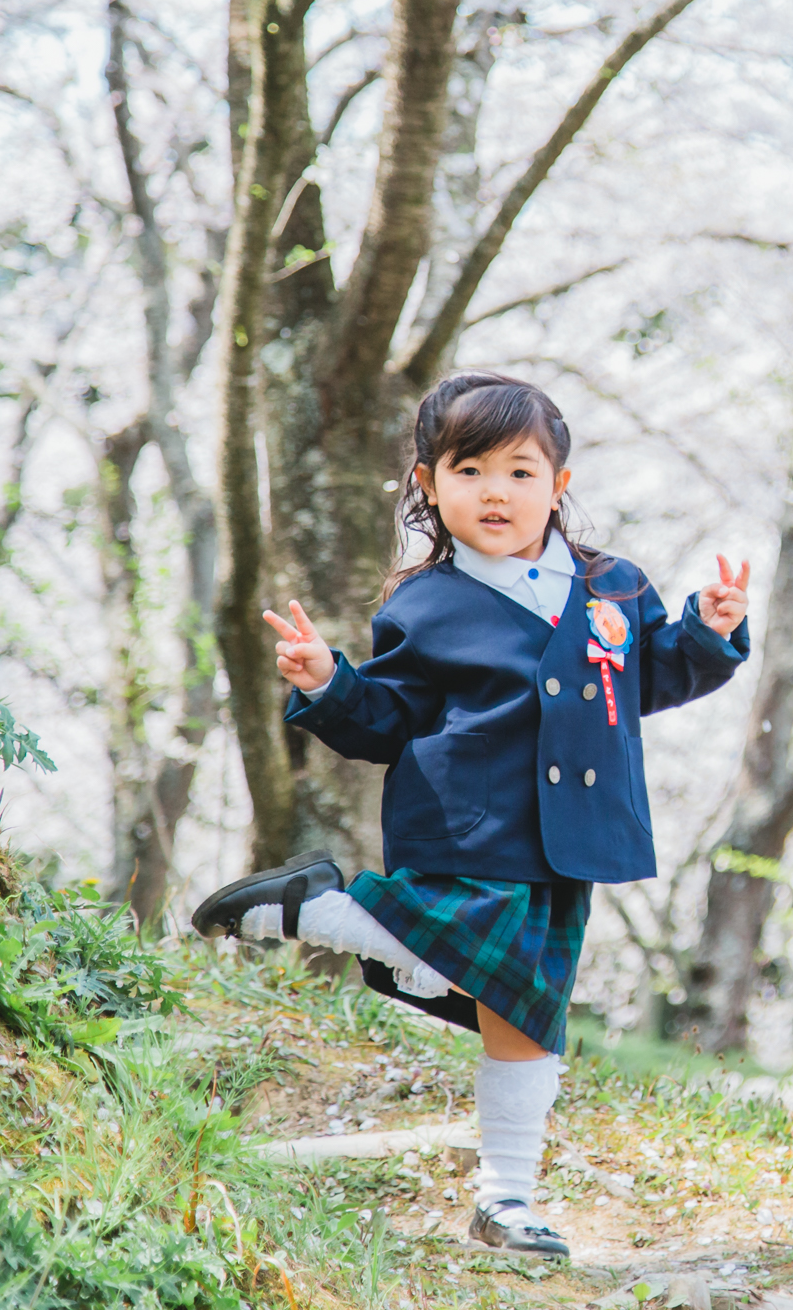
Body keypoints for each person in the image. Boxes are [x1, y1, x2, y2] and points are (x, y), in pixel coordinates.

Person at [189, 371, 750, 1261]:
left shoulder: (614, 588)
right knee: (469, 956)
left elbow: (655, 678)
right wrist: (330, 682)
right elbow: (388, 718)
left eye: (521, 472)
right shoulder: (426, 603)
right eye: (470, 468)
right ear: (428, 484)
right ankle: (321, 910)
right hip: (468, 824)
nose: (496, 491)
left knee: (527, 1016)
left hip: (574, 839)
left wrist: (707, 631)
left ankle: (506, 1200)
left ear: (559, 487)